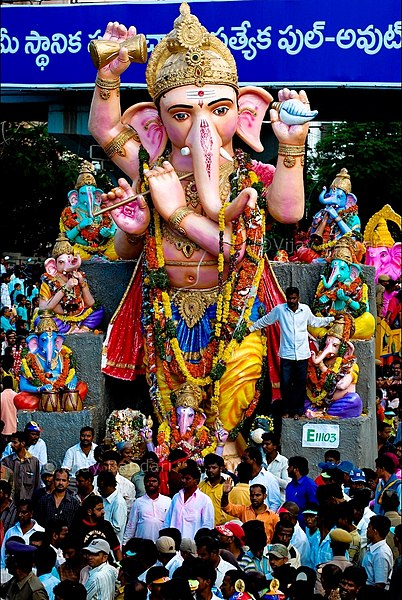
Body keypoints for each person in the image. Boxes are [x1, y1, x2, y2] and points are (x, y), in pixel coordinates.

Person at [89, 3, 310, 459]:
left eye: (218, 109)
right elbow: (107, 129)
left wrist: (290, 149)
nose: (202, 125)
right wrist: (109, 76)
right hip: (164, 303)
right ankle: (176, 453)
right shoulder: (153, 169)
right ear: (154, 124)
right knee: (171, 404)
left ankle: (226, 454)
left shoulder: (249, 177)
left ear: (246, 114)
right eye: (183, 114)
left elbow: (283, 217)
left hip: (239, 302)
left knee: (235, 387)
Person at [249, 286, 334, 418]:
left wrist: (331, 319)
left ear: (298, 298)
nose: (291, 300)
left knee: (300, 384)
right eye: (289, 298)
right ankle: (287, 410)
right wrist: (250, 329)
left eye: (294, 298)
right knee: (285, 384)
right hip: (286, 355)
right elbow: (265, 320)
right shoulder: (280, 310)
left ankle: (297, 411)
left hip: (302, 355)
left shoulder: (305, 310)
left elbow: (315, 322)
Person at [163, 463, 214, 538]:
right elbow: (168, 520)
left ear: (196, 481)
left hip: (192, 545)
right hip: (174, 544)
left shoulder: (204, 500)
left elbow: (208, 525)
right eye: (182, 478)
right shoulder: (176, 497)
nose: (183, 481)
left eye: (187, 479)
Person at [69, 494, 122, 562]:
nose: (103, 512)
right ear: (89, 511)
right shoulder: (77, 527)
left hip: (106, 566)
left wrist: (120, 566)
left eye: (102, 508)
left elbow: (116, 549)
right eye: (99, 509)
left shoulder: (106, 525)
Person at [123, 471, 171, 543]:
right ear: (144, 484)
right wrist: (125, 542)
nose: (151, 483)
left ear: (159, 484)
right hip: (142, 543)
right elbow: (131, 524)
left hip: (162, 544)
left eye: (154, 481)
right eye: (148, 481)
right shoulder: (138, 502)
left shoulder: (167, 501)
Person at [0, 499, 44, 569]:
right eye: (18, 512)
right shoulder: (10, 532)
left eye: (24, 512)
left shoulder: (41, 531)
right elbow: (3, 556)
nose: (20, 515)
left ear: (31, 513)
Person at [2, 431, 41, 503]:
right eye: (12, 442)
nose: (12, 445)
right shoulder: (7, 461)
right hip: (11, 505)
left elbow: (37, 485)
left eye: (15, 442)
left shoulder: (34, 462)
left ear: (22, 443)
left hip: (28, 505)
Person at [240, 447, 281, 513]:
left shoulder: (269, 478)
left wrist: (266, 518)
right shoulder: (243, 477)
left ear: (254, 460)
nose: (242, 461)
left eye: (245, 459)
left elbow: (275, 503)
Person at [362, 515, 393, 589]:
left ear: (375, 531)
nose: (367, 529)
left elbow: (380, 585)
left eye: (369, 527)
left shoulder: (381, 553)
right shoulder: (373, 548)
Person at [199, 454, 230, 526]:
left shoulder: (226, 487)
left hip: (221, 527)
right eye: (208, 468)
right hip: (204, 526)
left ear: (221, 468)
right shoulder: (201, 485)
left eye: (214, 468)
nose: (210, 470)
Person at [97, 470, 127, 545]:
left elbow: (117, 528)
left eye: (101, 487)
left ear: (109, 486)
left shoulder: (119, 502)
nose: (99, 490)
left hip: (112, 547)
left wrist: (99, 522)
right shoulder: (102, 498)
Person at [261, 432, 290, 501]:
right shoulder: (260, 460)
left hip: (278, 501)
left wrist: (269, 475)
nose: (264, 447)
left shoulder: (283, 461)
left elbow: (287, 485)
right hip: (262, 502)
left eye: (267, 444)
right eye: (263, 444)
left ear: (275, 446)